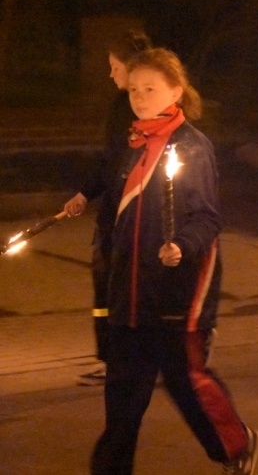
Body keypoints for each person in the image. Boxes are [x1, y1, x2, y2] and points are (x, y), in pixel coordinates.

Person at [90, 48, 258, 475]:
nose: (140, 97)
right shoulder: (134, 142)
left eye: (150, 88)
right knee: (122, 403)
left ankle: (235, 446)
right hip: (129, 295)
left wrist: (181, 245)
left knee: (186, 382)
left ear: (176, 92)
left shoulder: (191, 148)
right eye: (134, 89)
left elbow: (206, 217)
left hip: (177, 292)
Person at [64, 29, 152, 386]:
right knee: (103, 284)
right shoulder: (120, 107)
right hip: (112, 215)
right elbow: (111, 160)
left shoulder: (142, 109)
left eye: (114, 66)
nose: (110, 74)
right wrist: (85, 193)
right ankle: (108, 357)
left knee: (127, 288)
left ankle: (136, 357)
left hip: (135, 216)